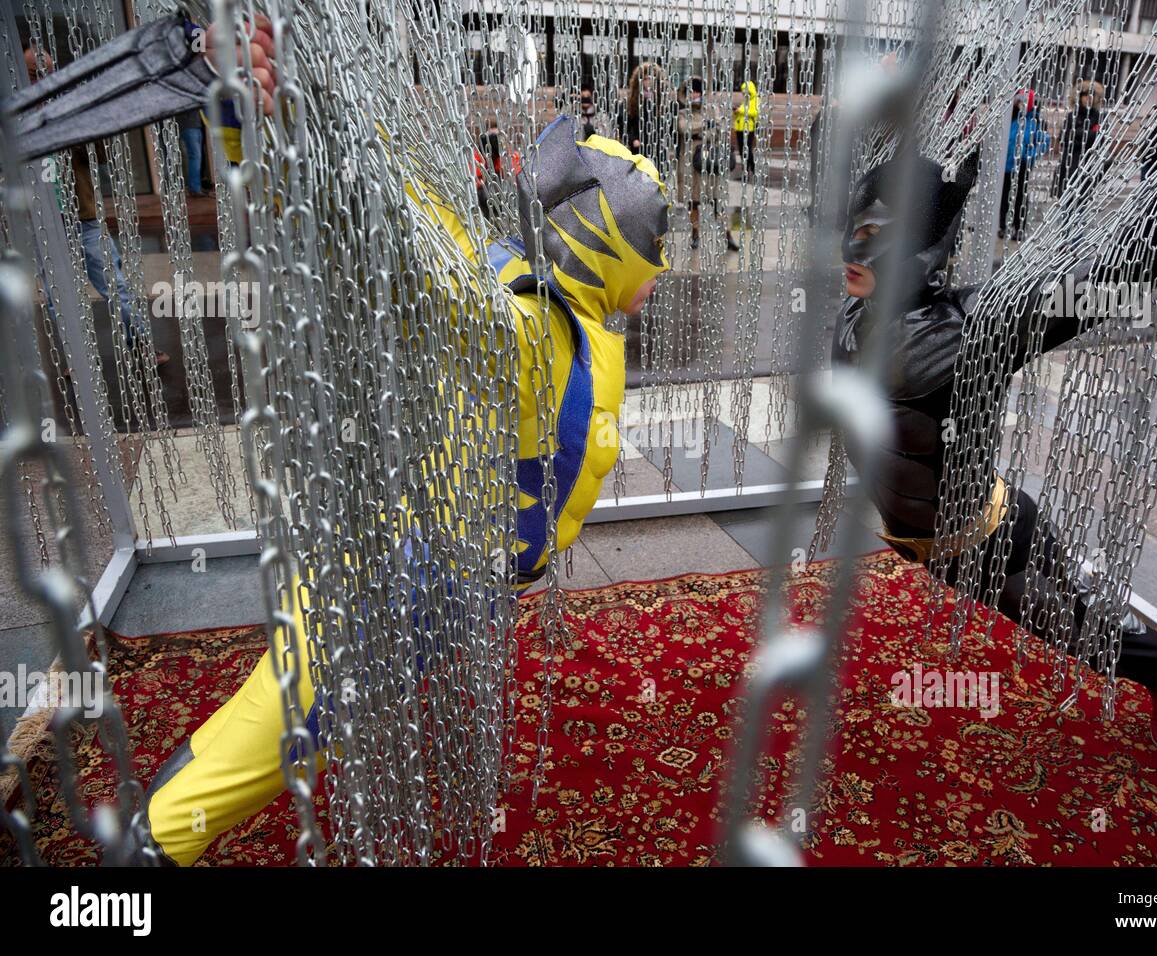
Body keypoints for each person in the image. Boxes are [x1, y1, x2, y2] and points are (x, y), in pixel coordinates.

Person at [13, 15, 670, 865]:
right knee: (284, 729)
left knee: (287, 712)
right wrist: (279, 113)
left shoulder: (561, 299)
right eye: (656, 246)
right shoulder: (527, 332)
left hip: (419, 548)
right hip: (407, 571)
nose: (663, 267)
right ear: (609, 252)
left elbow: (415, 201)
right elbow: (387, 231)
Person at [830, 25, 1157, 794]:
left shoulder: (978, 326)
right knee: (1093, 616)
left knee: (1091, 634)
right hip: (956, 520)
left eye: (882, 236)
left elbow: (1142, 252)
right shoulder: (857, 304)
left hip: (978, 539)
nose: (855, 248)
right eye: (855, 231)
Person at [21, 41, 169, 366]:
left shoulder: (71, 107)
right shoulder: (14, 117)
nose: (39, 81)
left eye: (45, 73)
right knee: (58, 296)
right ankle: (78, 360)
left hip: (83, 216)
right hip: (43, 221)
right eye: (33, 73)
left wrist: (78, 126)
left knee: (115, 285)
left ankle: (141, 344)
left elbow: (100, 156)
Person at [679, 78, 739, 252]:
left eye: (697, 91)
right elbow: (684, 128)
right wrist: (705, 125)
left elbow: (720, 128)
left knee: (717, 202)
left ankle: (727, 236)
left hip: (710, 160)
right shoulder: (683, 112)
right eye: (691, 91)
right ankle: (695, 234)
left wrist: (709, 129)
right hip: (691, 161)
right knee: (694, 202)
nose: (694, 94)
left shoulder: (712, 110)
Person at [999, 90, 1049, 240]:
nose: (1021, 105)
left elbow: (1043, 142)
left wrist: (1029, 157)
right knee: (1005, 195)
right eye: (1019, 101)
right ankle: (1004, 226)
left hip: (1022, 165)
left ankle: (1019, 227)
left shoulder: (1035, 121)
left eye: (1024, 102)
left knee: (1020, 196)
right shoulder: (1011, 118)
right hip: (1007, 165)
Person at [1055, 79, 1102, 196]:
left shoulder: (1098, 117)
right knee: (1067, 197)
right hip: (1070, 162)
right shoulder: (1072, 116)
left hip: (1089, 163)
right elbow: (1065, 137)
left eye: (1091, 95)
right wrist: (1086, 135)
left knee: (1083, 198)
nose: (1088, 98)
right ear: (1080, 97)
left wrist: (1078, 134)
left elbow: (1100, 138)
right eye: (1085, 95)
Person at [177, 107, 208, 197]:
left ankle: (195, 187)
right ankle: (194, 188)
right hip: (189, 127)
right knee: (195, 157)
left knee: (196, 157)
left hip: (195, 126)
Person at [733, 78, 760, 176]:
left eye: (746, 91)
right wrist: (736, 112)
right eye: (743, 92)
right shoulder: (745, 101)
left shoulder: (756, 100)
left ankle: (752, 167)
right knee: (741, 149)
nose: (744, 93)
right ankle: (745, 168)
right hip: (740, 128)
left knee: (747, 149)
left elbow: (755, 112)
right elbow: (742, 113)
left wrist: (741, 111)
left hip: (749, 128)